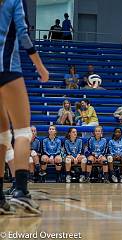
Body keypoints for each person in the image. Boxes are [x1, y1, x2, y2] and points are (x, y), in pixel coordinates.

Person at [0, 0, 49, 215]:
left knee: (2, 137)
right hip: (8, 69)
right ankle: (21, 191)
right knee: (22, 132)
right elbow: (23, 34)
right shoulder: (14, 1)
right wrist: (40, 67)